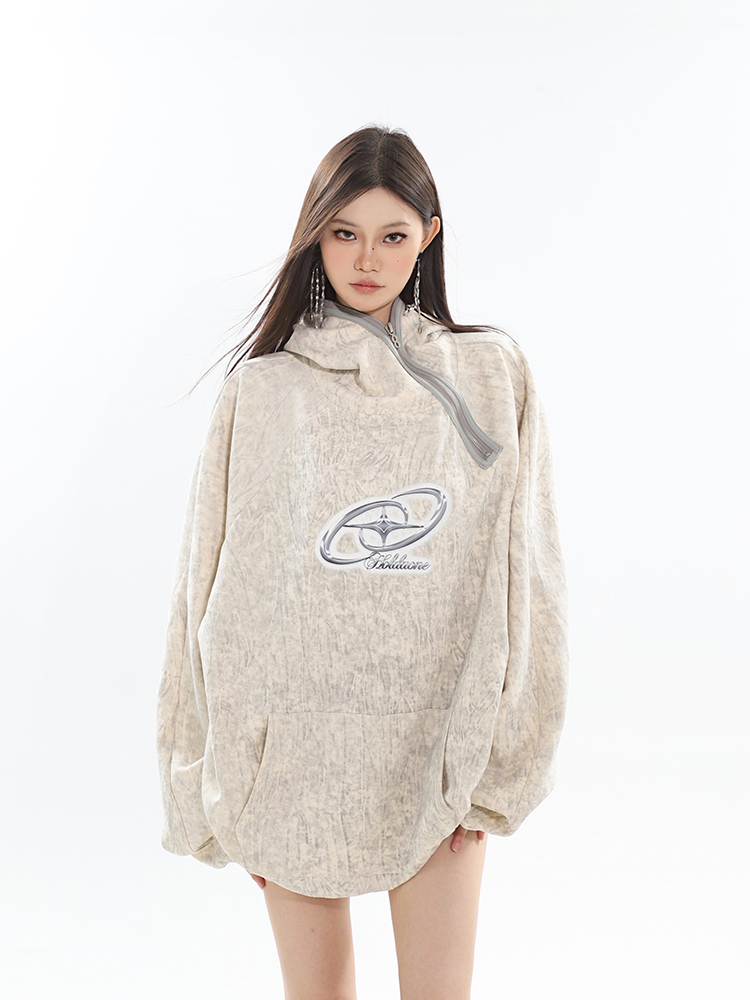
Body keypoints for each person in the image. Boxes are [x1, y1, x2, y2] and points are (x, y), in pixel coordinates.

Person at [155, 124, 569, 1000]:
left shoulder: (492, 376)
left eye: (392, 234)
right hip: (295, 757)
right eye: (344, 233)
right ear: (315, 234)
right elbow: (210, 591)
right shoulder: (263, 392)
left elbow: (531, 579)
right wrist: (220, 781)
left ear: (429, 236)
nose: (367, 259)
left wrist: (501, 764)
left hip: (439, 750)